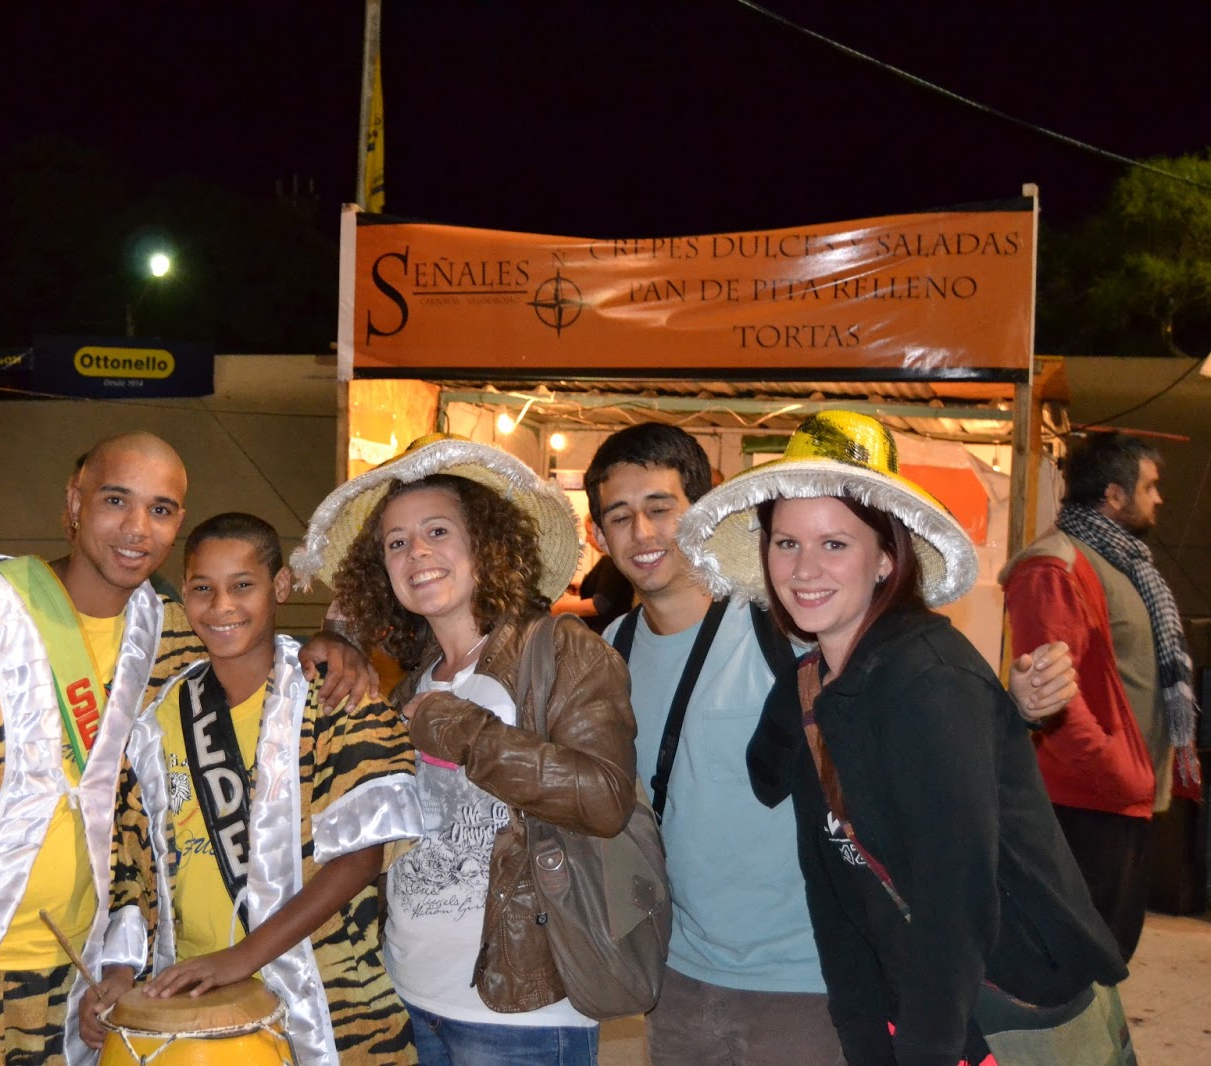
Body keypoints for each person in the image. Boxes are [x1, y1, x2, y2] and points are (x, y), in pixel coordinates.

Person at [0, 432, 374, 1066]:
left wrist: (333, 643)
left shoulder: (172, 635)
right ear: (75, 502)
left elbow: (251, 637)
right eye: (115, 500)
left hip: (72, 974)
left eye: (160, 509)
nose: (137, 528)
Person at [583, 422, 1077, 1066]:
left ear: (700, 513)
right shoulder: (609, 652)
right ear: (599, 536)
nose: (643, 533)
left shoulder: (793, 624)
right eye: (620, 517)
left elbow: (918, 723)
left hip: (806, 982)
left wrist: (1012, 708)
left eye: (660, 508)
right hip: (677, 977)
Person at [291, 434, 638, 1066]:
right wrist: (337, 638)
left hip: (522, 1009)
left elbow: (605, 798)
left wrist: (463, 730)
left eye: (438, 531)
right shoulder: (411, 685)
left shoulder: (558, 650)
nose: (417, 552)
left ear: (484, 542)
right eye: (396, 543)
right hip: (405, 994)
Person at [78, 513, 422, 1063]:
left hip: (326, 996)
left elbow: (360, 858)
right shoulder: (159, 717)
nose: (222, 607)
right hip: (188, 993)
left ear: (280, 586)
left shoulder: (336, 698)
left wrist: (241, 957)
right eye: (202, 589)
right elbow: (133, 869)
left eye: (242, 585)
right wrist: (120, 972)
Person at [1001, 431, 1201, 962]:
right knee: (1077, 958)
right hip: (1086, 802)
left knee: (1108, 951)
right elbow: (1051, 698)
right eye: (1150, 487)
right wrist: (1116, 771)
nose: (1159, 498)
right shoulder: (1055, 567)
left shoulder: (1125, 565)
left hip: (1121, 799)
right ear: (1114, 494)